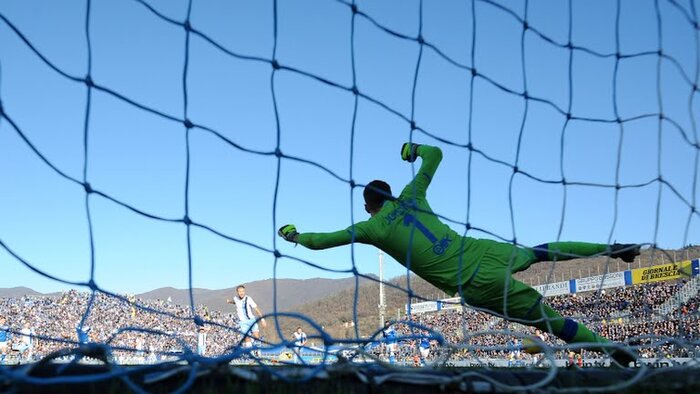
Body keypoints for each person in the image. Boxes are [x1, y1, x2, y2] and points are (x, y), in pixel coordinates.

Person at [278, 142, 641, 366]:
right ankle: (613, 249)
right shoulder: (413, 193)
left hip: (473, 281)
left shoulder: (373, 227)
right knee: (539, 251)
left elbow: (322, 240)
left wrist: (294, 236)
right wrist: (412, 149)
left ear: (368, 206)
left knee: (552, 322)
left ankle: (610, 349)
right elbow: (435, 153)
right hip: (481, 250)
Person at [226, 285, 267, 351]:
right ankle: (252, 355)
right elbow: (235, 302)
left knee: (256, 336)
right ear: (237, 292)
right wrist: (229, 302)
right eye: (240, 291)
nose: (241, 293)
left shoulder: (248, 299)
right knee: (246, 338)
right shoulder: (235, 298)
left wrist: (262, 320)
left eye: (243, 291)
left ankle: (258, 351)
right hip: (242, 322)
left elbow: (256, 309)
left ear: (244, 292)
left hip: (251, 320)